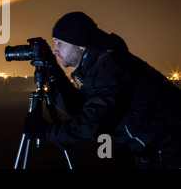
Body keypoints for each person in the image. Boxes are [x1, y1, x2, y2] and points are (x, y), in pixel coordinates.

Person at [23, 11, 181, 168]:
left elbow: (91, 123)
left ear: (80, 44)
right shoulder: (98, 65)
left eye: (59, 43)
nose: (55, 50)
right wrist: (53, 71)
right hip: (154, 152)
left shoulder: (111, 66)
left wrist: (45, 132)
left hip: (172, 150)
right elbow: (79, 108)